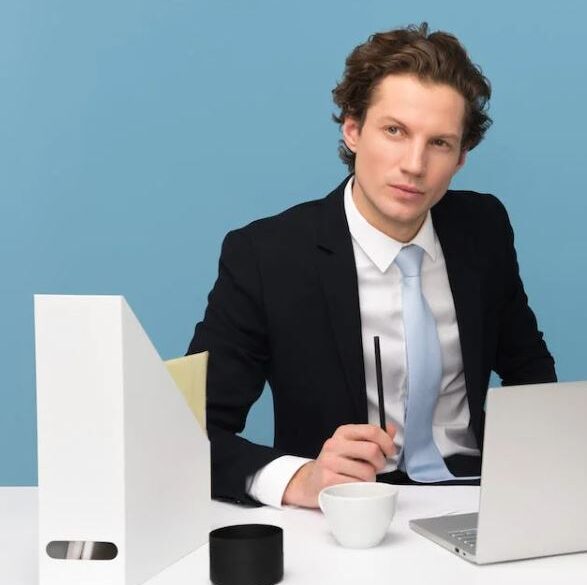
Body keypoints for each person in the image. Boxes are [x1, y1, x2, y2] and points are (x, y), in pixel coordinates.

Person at [188, 23, 556, 509]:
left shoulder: (483, 228)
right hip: (344, 513)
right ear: (353, 130)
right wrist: (300, 479)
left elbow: (530, 372)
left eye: (440, 143)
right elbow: (190, 433)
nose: (414, 164)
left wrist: (543, 471)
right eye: (395, 131)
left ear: (462, 157)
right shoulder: (265, 256)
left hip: (477, 500)